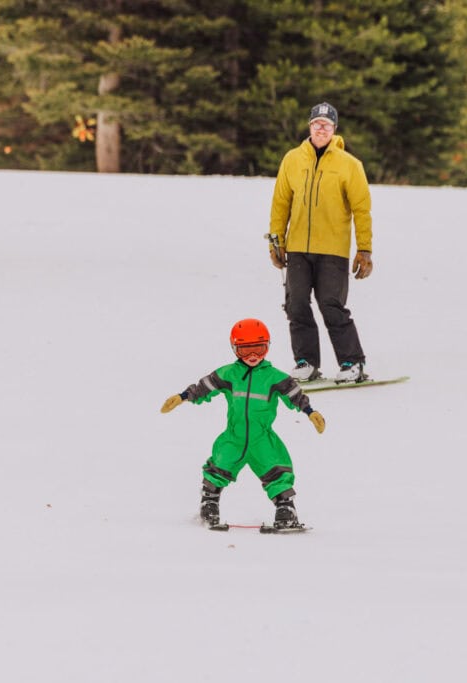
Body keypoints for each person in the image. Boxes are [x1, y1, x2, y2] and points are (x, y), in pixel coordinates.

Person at [159, 318, 326, 530]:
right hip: (234, 436)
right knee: (219, 465)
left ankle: (286, 508)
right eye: (245, 351)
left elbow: (295, 395)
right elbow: (204, 387)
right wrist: (182, 397)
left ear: (267, 347)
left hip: (262, 437)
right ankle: (209, 503)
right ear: (235, 349)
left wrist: (310, 412)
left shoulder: (274, 377)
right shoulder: (229, 374)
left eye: (259, 349)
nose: (253, 356)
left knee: (277, 468)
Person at [269, 101, 373, 384]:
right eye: (317, 124)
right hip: (298, 248)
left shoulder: (349, 165)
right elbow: (281, 203)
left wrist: (364, 249)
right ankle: (306, 362)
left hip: (333, 250)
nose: (321, 129)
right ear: (310, 126)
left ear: (334, 129)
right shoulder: (292, 159)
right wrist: (276, 241)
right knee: (297, 304)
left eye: (327, 125)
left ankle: (353, 363)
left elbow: (362, 209)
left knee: (331, 304)